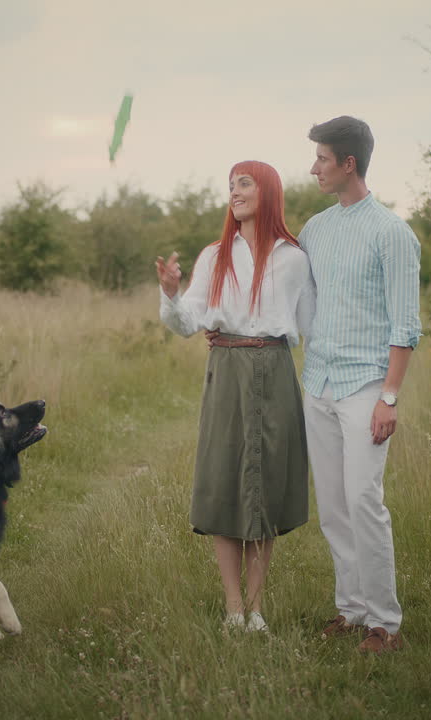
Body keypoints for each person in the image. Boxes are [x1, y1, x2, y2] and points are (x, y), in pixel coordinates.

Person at [155, 160, 315, 633]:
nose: (235, 191)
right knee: (225, 482)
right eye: (230, 185)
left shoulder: (294, 258)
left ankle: (257, 609)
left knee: (266, 484)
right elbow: (186, 323)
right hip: (225, 368)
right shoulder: (214, 255)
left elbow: (310, 328)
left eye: (244, 183)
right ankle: (232, 608)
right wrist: (170, 293)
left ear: (268, 191)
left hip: (275, 369)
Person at [298, 116, 421, 654]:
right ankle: (349, 610)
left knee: (364, 499)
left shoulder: (392, 233)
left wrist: (389, 398)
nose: (314, 168)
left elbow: (405, 325)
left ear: (349, 163)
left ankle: (384, 624)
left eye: (322, 159)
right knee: (332, 505)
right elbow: (293, 297)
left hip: (366, 387)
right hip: (318, 383)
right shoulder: (314, 230)